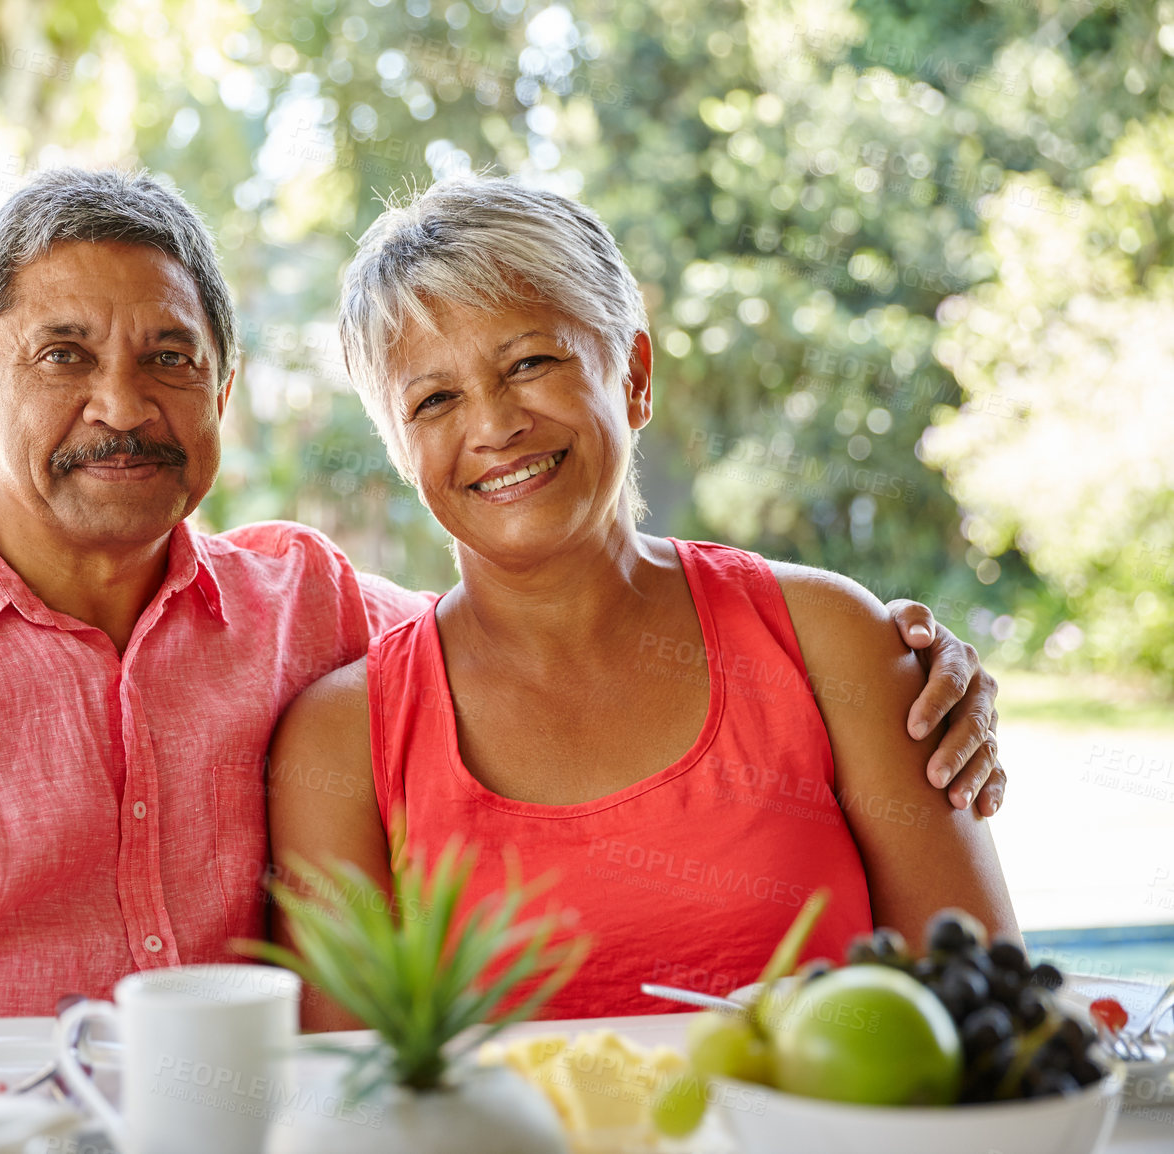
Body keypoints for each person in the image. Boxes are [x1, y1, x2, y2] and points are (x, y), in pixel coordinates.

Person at [0, 169, 1006, 1068]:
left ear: (219, 399)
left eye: (167, 357)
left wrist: (910, 658)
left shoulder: (302, 611)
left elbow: (530, 612)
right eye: (62, 355)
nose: (120, 404)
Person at [268, 178, 1018, 1027]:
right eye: (434, 399)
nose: (493, 424)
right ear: (400, 447)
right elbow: (349, 1102)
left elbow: (990, 1024)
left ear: (634, 374)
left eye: (530, 363)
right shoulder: (342, 744)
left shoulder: (831, 644)